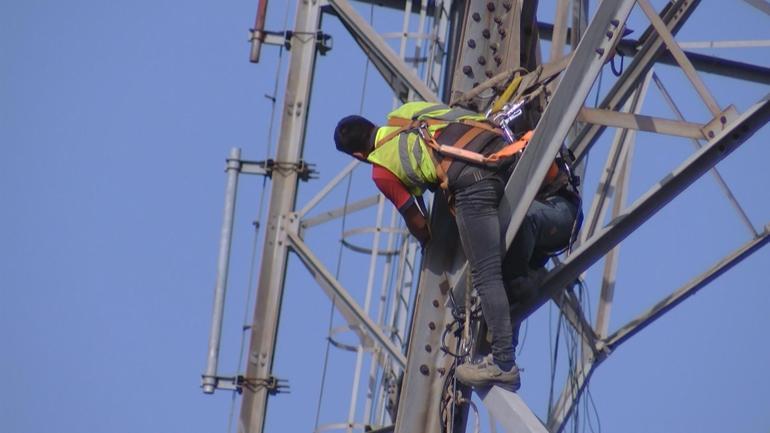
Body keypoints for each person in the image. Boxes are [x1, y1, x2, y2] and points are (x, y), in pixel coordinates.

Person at [333, 101, 580, 390]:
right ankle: (529, 273)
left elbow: (417, 221)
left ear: (358, 155)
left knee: (486, 273)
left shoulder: (380, 171)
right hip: (503, 154)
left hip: (474, 183)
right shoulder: (406, 112)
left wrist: (427, 242)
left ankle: (503, 364)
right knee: (514, 233)